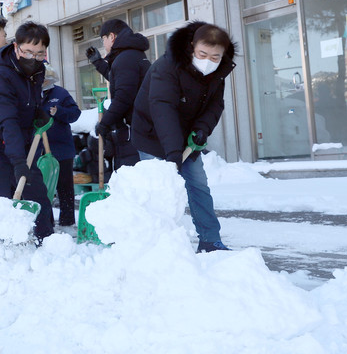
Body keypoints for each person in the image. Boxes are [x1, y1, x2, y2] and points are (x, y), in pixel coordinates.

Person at [131, 21, 235, 253]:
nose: (209, 61)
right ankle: (158, 243)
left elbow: (215, 105)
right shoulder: (167, 67)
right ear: (191, 47)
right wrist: (173, 153)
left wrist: (201, 130)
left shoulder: (219, 71)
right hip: (152, 135)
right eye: (203, 54)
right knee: (160, 189)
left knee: (198, 184)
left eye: (215, 57)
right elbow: (162, 108)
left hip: (187, 136)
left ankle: (210, 240)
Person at [0, 21, 54, 244]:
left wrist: (38, 112)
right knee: (2, 195)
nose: (33, 58)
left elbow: (28, 101)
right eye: (27, 52)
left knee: (35, 189)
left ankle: (46, 241)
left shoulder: (37, 69)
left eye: (39, 53)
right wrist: (17, 161)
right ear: (16, 47)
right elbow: (7, 120)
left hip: (19, 137)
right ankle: (1, 245)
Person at [85, 19, 151, 169]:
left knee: (134, 179)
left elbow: (123, 96)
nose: (103, 44)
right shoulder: (134, 54)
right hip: (143, 126)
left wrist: (105, 123)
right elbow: (121, 81)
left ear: (112, 37)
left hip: (134, 129)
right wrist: (98, 62)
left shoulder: (125, 59)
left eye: (103, 39)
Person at [40, 65, 81, 230]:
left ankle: (67, 221)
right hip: (40, 149)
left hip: (62, 149)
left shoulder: (60, 94)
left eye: (46, 78)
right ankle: (46, 221)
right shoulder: (31, 94)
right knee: (43, 187)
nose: (43, 81)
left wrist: (59, 111)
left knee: (64, 186)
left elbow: (75, 114)